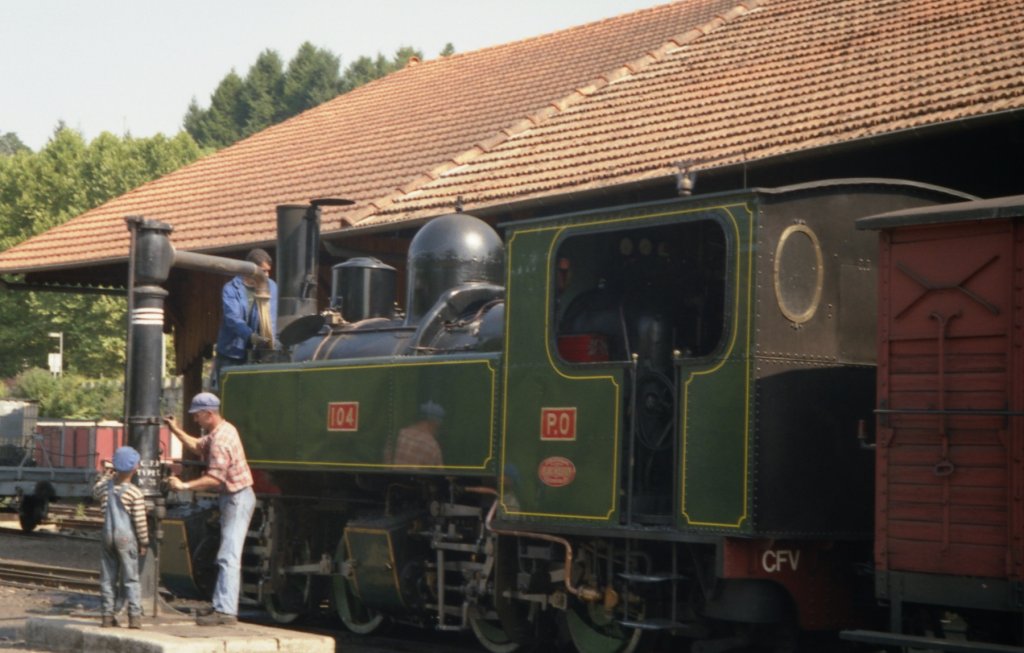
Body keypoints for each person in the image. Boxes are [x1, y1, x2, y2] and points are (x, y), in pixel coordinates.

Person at [164, 392, 255, 626]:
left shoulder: (220, 442)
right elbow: (197, 446)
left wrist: (184, 485)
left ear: (208, 413)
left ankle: (226, 612)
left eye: (197, 415)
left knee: (228, 556)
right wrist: (175, 429)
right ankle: (221, 605)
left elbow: (215, 478)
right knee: (226, 554)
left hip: (236, 498)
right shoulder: (223, 430)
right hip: (235, 497)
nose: (195, 419)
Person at [93, 446, 149, 629]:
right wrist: (144, 542)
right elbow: (140, 522)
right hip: (126, 538)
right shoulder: (135, 493)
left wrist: (105, 476)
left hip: (107, 536)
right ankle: (134, 617)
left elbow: (95, 491)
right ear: (135, 468)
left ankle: (107, 616)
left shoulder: (104, 488)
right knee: (131, 578)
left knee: (108, 578)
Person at [213, 248, 278, 390]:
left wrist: (269, 344)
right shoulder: (230, 289)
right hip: (231, 353)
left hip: (257, 354)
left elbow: (271, 319)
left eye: (268, 271)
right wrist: (250, 336)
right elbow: (233, 318)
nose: (266, 275)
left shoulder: (272, 287)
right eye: (263, 271)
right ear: (250, 269)